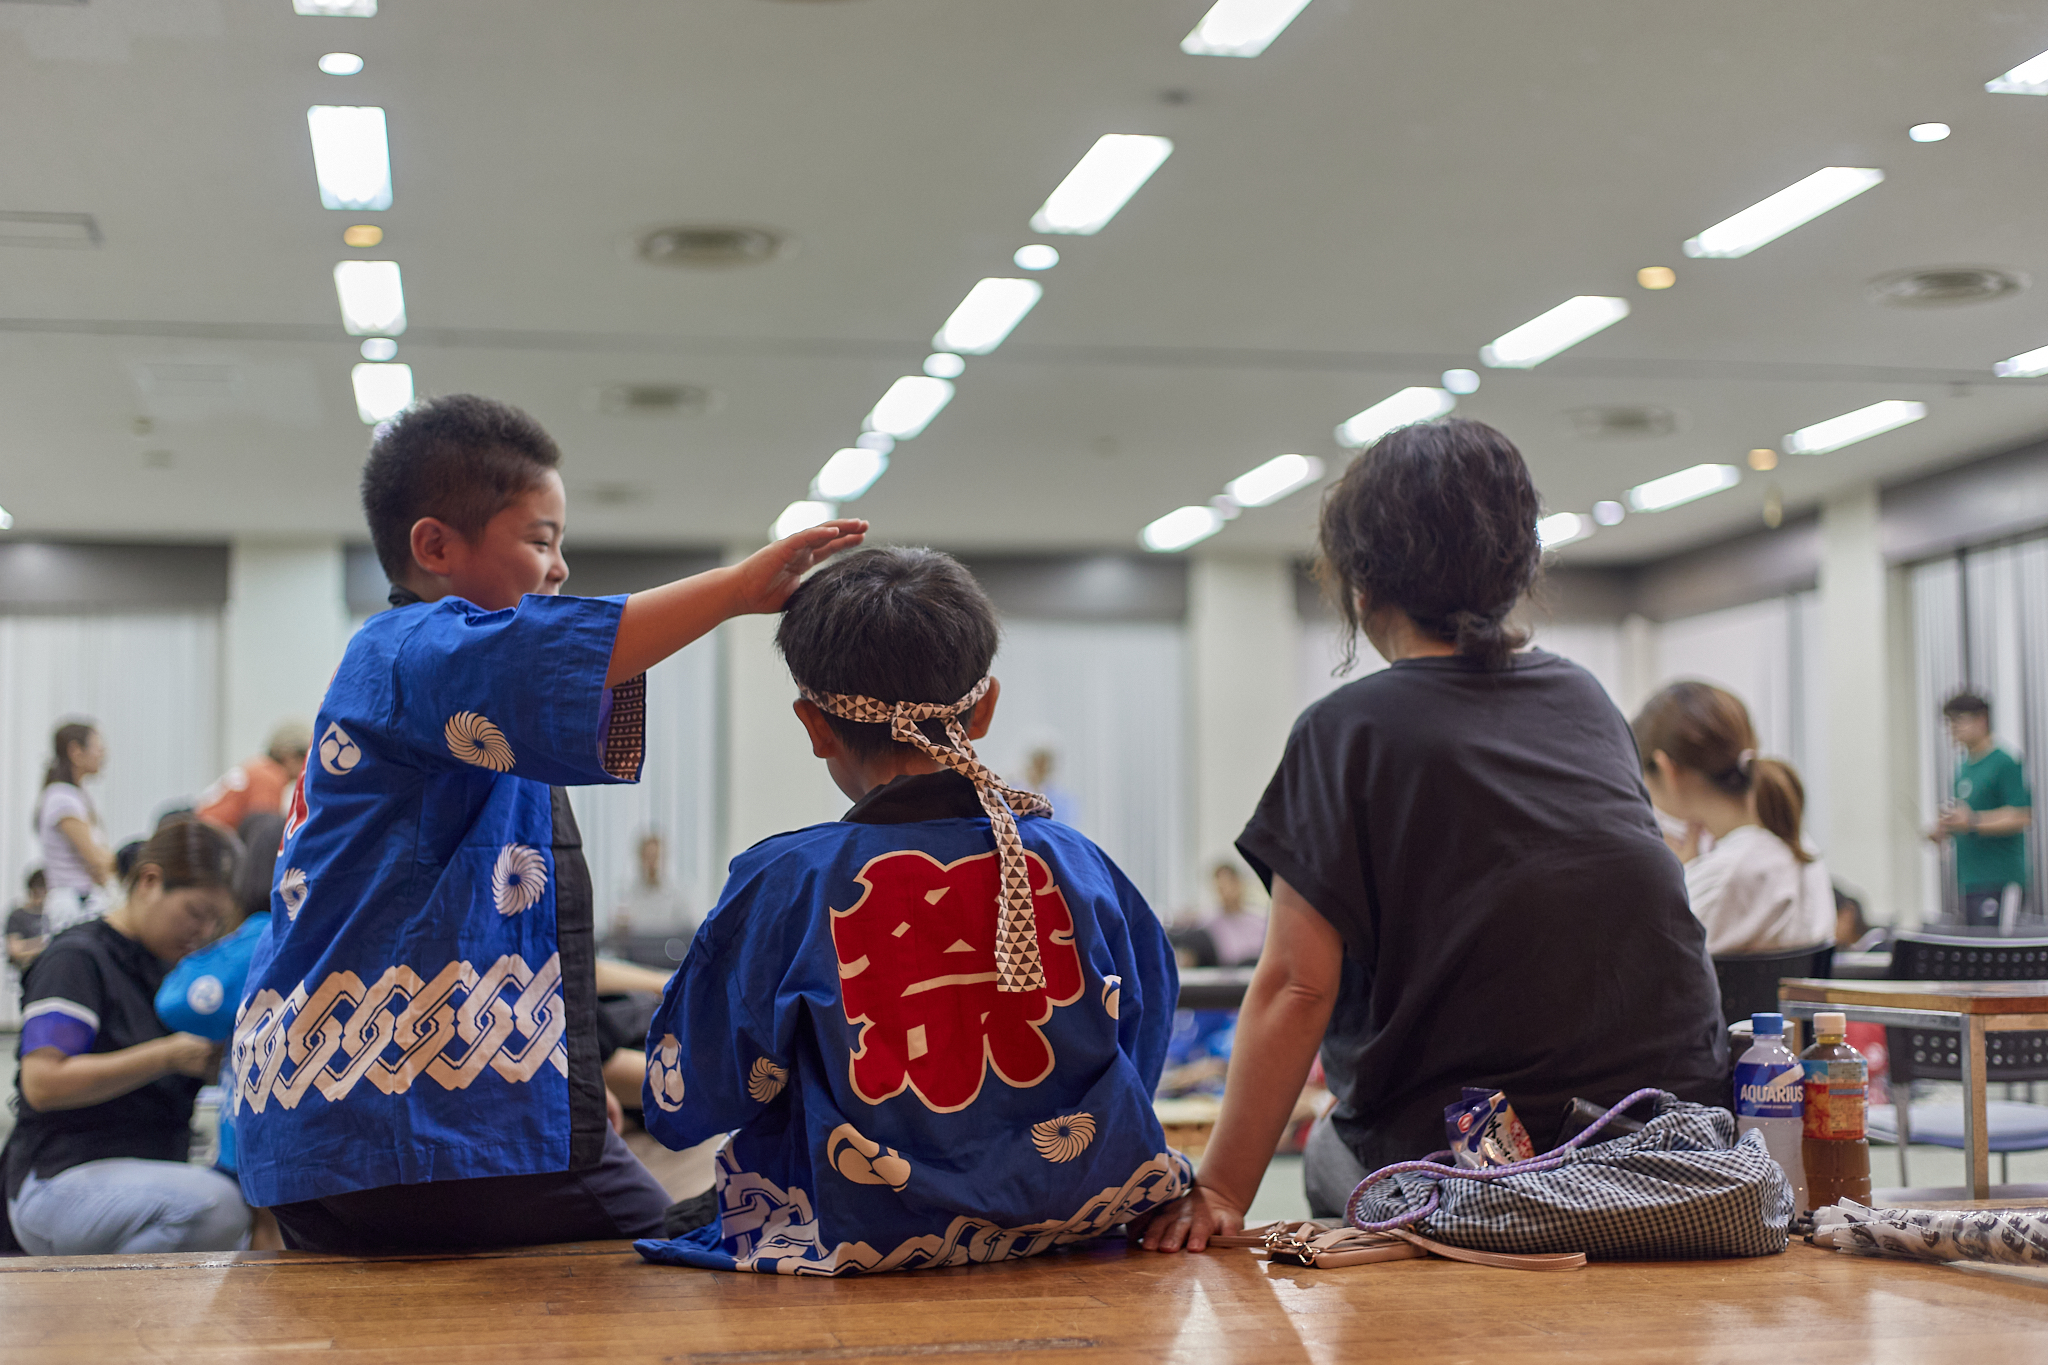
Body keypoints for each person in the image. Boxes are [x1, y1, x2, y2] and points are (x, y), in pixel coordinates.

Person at [229, 393, 866, 1253]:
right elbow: (564, 654)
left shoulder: (448, 692)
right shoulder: (411, 650)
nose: (562, 567)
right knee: (664, 1254)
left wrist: (561, 1080)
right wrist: (735, 588)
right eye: (540, 540)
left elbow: (502, 916)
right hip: (390, 1111)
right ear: (436, 546)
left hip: (364, 1110)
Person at [1136, 418, 1728, 1252]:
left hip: (1476, 1165)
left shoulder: (1347, 727)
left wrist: (1224, 1187)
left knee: (1333, 1148)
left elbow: (1298, 986)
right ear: (1517, 567)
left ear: (1362, 582)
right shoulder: (1585, 699)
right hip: (1672, 1145)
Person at [633, 547, 1188, 1275]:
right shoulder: (1076, 862)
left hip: (852, 1234)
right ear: (984, 707)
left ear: (814, 724)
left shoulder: (786, 880)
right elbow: (1142, 1040)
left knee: (664, 1217)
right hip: (1079, 1220)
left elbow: (695, 1097)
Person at [3, 820, 252, 1255]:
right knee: (219, 1207)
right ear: (150, 881)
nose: (202, 932)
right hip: (57, 1178)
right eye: (195, 913)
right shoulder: (77, 959)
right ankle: (96, 1311)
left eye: (215, 922)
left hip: (139, 1176)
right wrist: (166, 1056)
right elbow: (42, 1083)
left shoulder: (176, 975)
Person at [1632, 682, 1835, 957]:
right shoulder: (1801, 849)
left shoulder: (1727, 875)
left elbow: (1643, 967)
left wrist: (1679, 879)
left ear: (1668, 770)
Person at [1929, 692, 2032, 931]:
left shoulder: (2004, 762)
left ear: (1981, 719)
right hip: (1970, 880)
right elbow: (1964, 821)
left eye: (1958, 720)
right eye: (1949, 722)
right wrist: (1946, 829)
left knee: (1998, 953)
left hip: (2000, 877)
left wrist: (1973, 821)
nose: (1952, 728)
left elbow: (2022, 815)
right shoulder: (1964, 767)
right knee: (1977, 951)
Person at [35, 721, 114, 937]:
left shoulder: (74, 796)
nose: (102, 754)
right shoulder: (62, 798)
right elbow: (95, 859)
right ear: (75, 751)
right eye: (97, 748)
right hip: (74, 906)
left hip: (83, 902)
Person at [195, 723, 312, 832]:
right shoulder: (269, 777)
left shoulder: (260, 768)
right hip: (208, 838)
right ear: (289, 757)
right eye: (306, 758)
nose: (308, 766)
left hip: (203, 831)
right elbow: (264, 833)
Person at [610, 832, 692, 944]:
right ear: (640, 859)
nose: (652, 863)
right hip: (636, 955)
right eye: (648, 857)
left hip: (667, 957)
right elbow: (615, 926)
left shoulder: (677, 896)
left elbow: (689, 931)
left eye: (656, 857)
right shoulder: (628, 895)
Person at [1198, 862, 1265, 967]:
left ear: (1239, 884)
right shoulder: (1208, 925)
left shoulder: (1260, 921)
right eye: (1220, 887)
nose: (1225, 892)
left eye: (1228, 885)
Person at [7, 869, 48, 972]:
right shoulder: (18, 915)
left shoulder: (52, 915)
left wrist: (29, 947)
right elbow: (15, 950)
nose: (39, 899)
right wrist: (46, 942)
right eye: (36, 893)